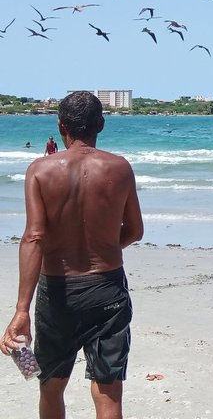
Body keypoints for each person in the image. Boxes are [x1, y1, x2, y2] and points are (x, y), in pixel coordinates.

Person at [1, 91, 144, 419]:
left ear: (60, 125)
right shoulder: (120, 168)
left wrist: (21, 310)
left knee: (50, 384)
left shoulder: (39, 170)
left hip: (58, 293)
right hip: (107, 290)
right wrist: (104, 248)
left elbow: (34, 237)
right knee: (109, 392)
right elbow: (135, 231)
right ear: (102, 124)